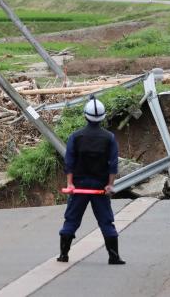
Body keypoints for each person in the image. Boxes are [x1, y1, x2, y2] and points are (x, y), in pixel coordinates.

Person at [57, 97, 125, 265]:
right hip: (100, 187)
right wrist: (110, 185)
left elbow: (69, 162)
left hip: (79, 186)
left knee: (71, 219)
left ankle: (63, 255)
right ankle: (114, 257)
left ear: (85, 116)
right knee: (106, 220)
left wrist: (70, 184)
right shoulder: (109, 138)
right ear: (103, 117)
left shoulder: (76, 136)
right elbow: (113, 164)